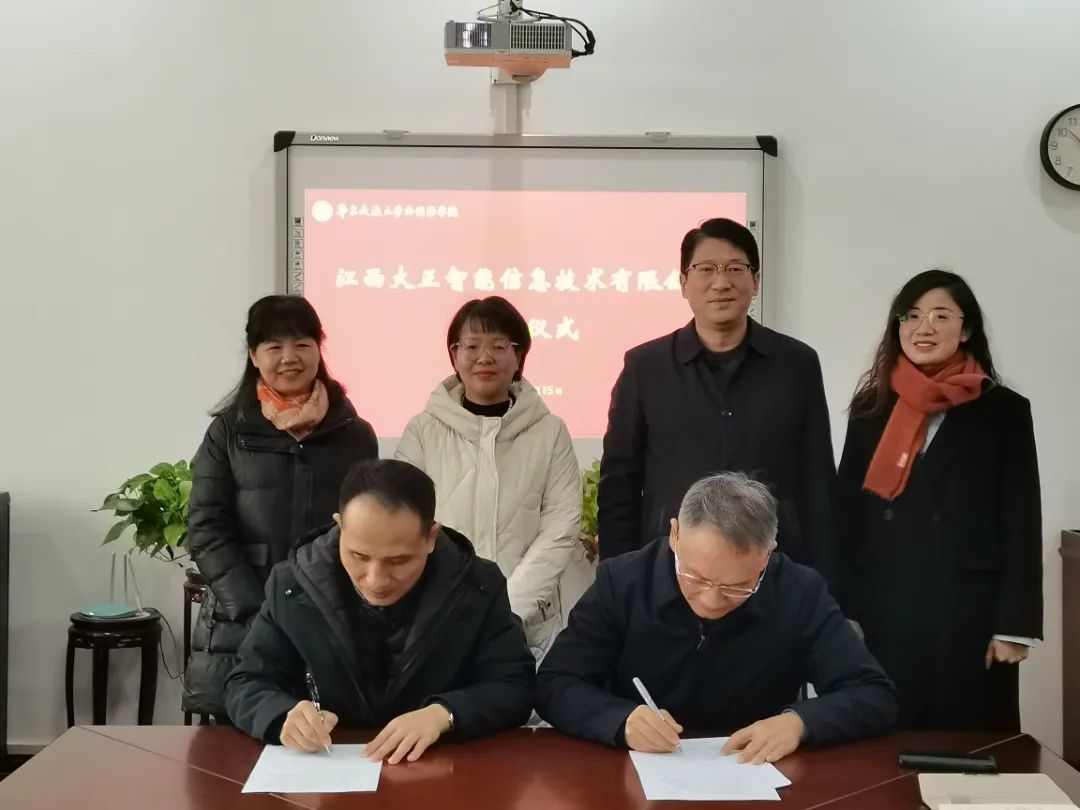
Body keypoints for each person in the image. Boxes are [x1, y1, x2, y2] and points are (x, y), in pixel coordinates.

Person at [535, 472, 897, 763]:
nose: (710, 600)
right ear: (675, 534)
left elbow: (874, 693)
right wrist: (619, 720)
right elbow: (554, 682)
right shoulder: (623, 582)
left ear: (767, 555)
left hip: (753, 771)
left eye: (737, 586)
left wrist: (799, 723)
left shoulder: (799, 591)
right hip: (637, 773)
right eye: (695, 577)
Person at [835, 269, 1042, 732]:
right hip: (885, 607)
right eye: (911, 316)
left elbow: (1022, 520)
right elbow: (848, 517)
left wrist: (1015, 625)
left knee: (971, 745)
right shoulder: (871, 408)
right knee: (883, 746)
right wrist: (843, 611)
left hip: (968, 610)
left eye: (940, 316)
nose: (923, 327)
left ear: (966, 330)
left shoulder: (1004, 410)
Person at [225, 459, 535, 763]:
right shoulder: (293, 586)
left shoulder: (477, 587)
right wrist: (281, 716)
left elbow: (514, 686)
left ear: (430, 537)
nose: (376, 580)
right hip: (328, 767)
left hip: (438, 768)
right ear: (340, 527)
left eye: (398, 561)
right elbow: (247, 683)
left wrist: (444, 714)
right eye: (359, 556)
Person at [598, 218, 836, 579]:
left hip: (774, 565)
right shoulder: (646, 367)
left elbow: (817, 480)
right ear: (684, 283)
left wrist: (825, 582)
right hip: (672, 567)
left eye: (735, 269)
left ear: (755, 281)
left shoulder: (796, 364)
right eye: (706, 269)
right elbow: (620, 485)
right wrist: (617, 578)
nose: (721, 283)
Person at [184, 295, 378, 719]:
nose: (289, 357)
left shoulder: (355, 434)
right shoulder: (227, 433)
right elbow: (206, 527)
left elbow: (366, 530)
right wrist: (258, 610)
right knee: (239, 741)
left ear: (318, 349)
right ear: (254, 356)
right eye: (274, 346)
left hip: (331, 620)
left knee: (331, 740)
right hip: (242, 622)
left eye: (302, 344)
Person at [396, 297, 581, 658]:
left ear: (518, 356)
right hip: (439, 616)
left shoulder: (550, 432)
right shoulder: (423, 430)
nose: (485, 357)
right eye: (472, 346)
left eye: (499, 346)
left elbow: (561, 527)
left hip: (527, 621)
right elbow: (405, 522)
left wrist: (509, 608)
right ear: (454, 355)